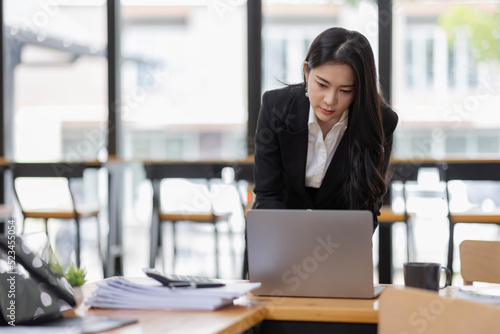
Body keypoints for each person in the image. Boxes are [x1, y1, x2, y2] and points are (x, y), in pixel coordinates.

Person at [253, 27, 399, 230]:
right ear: (306, 71)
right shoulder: (276, 107)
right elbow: (268, 194)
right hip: (277, 234)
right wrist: (279, 245)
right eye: (322, 85)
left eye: (345, 90)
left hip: (338, 241)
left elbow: (367, 205)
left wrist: (344, 249)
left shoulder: (381, 121)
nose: (330, 101)